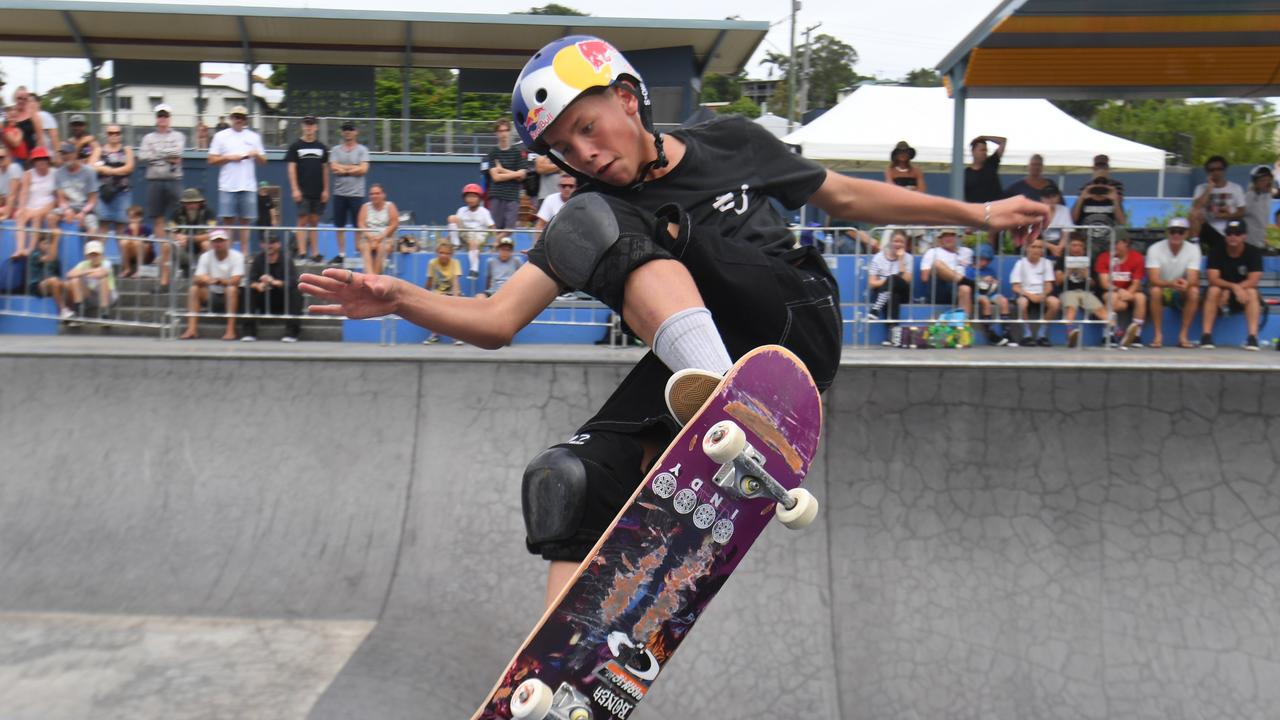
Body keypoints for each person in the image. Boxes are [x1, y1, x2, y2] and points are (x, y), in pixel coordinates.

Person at [299, 35, 1049, 608]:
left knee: (599, 222)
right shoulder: (594, 208)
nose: (587, 154)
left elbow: (848, 199)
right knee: (569, 480)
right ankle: (561, 678)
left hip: (792, 320)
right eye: (564, 150)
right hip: (703, 361)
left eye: (589, 128)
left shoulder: (732, 142)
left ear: (629, 97)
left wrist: (980, 212)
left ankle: (725, 397)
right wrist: (399, 299)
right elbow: (498, 320)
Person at [138, 104, 186, 290]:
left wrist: (157, 156)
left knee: (176, 218)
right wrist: (165, 156)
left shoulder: (178, 135)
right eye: (160, 116)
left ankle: (175, 249)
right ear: (156, 118)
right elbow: (142, 156)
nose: (163, 119)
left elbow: (177, 155)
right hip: (154, 180)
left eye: (165, 116)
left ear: (170, 118)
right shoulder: (148, 137)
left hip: (173, 179)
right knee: (157, 218)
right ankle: (161, 249)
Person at [208, 105, 266, 255]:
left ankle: (245, 255)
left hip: (248, 185)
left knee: (245, 222)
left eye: (241, 117)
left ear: (245, 119)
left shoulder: (254, 137)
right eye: (235, 117)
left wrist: (256, 155)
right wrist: (228, 158)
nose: (238, 120)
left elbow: (264, 161)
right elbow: (211, 159)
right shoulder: (221, 136)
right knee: (228, 221)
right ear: (231, 118)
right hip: (227, 185)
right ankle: (229, 253)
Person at [1201, 220, 1262, 351]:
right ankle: (1206, 335)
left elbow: (1253, 280)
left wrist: (1236, 289)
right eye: (1229, 233)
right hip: (1221, 294)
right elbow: (1213, 278)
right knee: (1213, 290)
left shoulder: (1253, 252)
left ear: (1244, 236)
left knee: (1252, 292)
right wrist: (1233, 287)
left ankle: (1252, 337)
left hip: (1242, 295)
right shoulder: (1216, 251)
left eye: (1237, 233)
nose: (1233, 237)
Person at [1144, 217, 1201, 349]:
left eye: (1180, 232)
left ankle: (1183, 335)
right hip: (1162, 286)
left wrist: (1185, 283)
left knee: (1194, 291)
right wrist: (1171, 284)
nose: (1176, 235)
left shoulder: (1193, 249)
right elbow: (1153, 279)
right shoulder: (1155, 249)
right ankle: (1158, 335)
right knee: (1156, 290)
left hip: (1179, 288)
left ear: (1186, 234)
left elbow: (1193, 277)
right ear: (1167, 232)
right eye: (1173, 231)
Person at [181, 228, 244, 341]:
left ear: (227, 242)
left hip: (232, 295)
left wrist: (220, 281)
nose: (218, 243)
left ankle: (231, 331)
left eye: (221, 240)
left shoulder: (237, 256)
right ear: (211, 243)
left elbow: (236, 281)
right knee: (194, 289)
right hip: (211, 293)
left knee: (231, 289)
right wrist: (206, 280)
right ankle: (191, 329)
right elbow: (196, 278)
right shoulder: (205, 256)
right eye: (215, 241)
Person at [242, 232, 303, 342]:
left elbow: (292, 281)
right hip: (263, 298)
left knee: (295, 291)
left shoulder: (286, 259)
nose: (269, 245)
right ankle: (249, 332)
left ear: (278, 244)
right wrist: (258, 285)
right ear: (261, 245)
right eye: (266, 243)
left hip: (282, 299)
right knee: (248, 291)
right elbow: (250, 280)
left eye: (272, 243)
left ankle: (292, 332)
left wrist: (273, 282)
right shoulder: (258, 259)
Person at [285, 116, 329, 261]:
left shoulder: (322, 147)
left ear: (316, 127)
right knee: (303, 220)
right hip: (302, 190)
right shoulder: (295, 146)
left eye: (312, 125)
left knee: (315, 221)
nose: (309, 127)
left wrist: (326, 189)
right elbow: (291, 169)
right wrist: (295, 189)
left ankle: (315, 253)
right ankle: (302, 251)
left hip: (318, 190)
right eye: (306, 124)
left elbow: (325, 170)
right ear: (303, 126)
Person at [1057, 234, 1107, 349]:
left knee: (1100, 309)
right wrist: (1069, 271)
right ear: (1069, 247)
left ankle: (1115, 333)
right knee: (1071, 306)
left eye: (1080, 246)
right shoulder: (1062, 260)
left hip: (1085, 292)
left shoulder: (1090, 260)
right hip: (1067, 291)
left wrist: (1086, 276)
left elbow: (1095, 284)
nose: (1077, 248)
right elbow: (1058, 281)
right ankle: (1070, 334)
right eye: (1074, 245)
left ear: (1084, 248)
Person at [483, 117, 530, 241]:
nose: (503, 134)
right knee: (496, 228)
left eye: (505, 130)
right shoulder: (492, 152)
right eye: (500, 131)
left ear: (509, 132)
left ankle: (496, 244)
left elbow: (523, 176)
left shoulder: (517, 152)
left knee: (509, 229)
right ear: (496, 133)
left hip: (512, 196)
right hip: (496, 195)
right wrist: (515, 174)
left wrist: (502, 170)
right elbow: (496, 177)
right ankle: (497, 246)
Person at [329, 122, 370, 264]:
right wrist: (353, 168)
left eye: (350, 130)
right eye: (345, 130)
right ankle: (341, 253)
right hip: (339, 193)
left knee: (358, 225)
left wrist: (344, 170)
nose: (348, 132)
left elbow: (364, 169)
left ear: (356, 132)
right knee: (339, 225)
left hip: (356, 194)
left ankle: (358, 251)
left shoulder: (362, 150)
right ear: (342, 132)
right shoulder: (335, 150)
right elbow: (334, 168)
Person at [1095, 235, 1145, 348]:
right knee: (1113, 298)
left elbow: (1136, 283)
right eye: (1111, 243)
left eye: (1116, 242)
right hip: (1111, 292)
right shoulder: (1104, 257)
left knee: (1141, 297)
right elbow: (1104, 283)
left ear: (1126, 242)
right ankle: (1108, 334)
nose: (1113, 246)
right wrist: (1119, 291)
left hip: (1129, 292)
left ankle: (1136, 335)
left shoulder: (1137, 257)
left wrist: (1128, 293)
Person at [1009, 237, 1059, 346]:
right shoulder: (1020, 264)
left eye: (1040, 247)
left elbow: (1049, 285)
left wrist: (1043, 295)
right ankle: (1027, 335)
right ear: (1027, 248)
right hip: (1026, 294)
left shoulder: (1047, 263)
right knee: (1022, 303)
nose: (1036, 250)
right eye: (1033, 247)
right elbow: (1016, 287)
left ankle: (1042, 335)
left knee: (1055, 302)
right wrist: (1030, 295)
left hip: (1042, 294)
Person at [865, 228, 913, 342]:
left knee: (893, 279)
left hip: (903, 291)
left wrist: (901, 260)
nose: (898, 244)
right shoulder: (878, 257)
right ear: (890, 242)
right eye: (896, 241)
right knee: (892, 295)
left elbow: (906, 280)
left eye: (901, 242)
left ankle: (876, 309)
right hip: (884, 294)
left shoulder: (908, 257)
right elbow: (872, 283)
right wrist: (888, 282)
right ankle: (892, 337)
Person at [1190, 155, 1245, 253]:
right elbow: (1196, 207)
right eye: (1212, 170)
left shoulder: (1236, 188)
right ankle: (1195, 244)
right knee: (1194, 213)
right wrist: (1209, 189)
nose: (1216, 172)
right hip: (1208, 228)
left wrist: (1228, 215)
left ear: (1224, 170)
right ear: (1208, 172)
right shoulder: (1201, 188)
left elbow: (1242, 211)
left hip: (1230, 229)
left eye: (1219, 169)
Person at [1072, 154, 1126, 252]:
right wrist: (1082, 198)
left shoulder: (1116, 187)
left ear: (1108, 168)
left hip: (1108, 239)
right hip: (1087, 239)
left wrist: (1114, 199)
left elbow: (1122, 221)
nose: (1100, 185)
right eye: (1098, 166)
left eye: (1103, 166)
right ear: (1094, 168)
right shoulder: (1085, 187)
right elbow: (1074, 218)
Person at [165, 188, 217, 289]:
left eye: (194, 202)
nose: (191, 206)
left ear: (200, 203)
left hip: (201, 253)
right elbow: (169, 231)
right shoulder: (177, 213)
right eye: (188, 203)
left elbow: (212, 234)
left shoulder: (209, 213)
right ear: (183, 204)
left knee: (206, 244)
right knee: (167, 245)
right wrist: (177, 238)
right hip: (182, 250)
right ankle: (165, 283)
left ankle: (205, 279)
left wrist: (189, 238)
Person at [91, 124, 135, 240]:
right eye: (111, 133)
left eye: (117, 133)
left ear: (120, 135)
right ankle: (100, 258)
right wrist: (118, 171)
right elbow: (91, 166)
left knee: (121, 227)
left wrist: (108, 170)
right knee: (103, 226)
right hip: (103, 193)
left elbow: (129, 168)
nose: (114, 135)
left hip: (122, 192)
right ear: (107, 135)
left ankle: (123, 258)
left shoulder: (127, 150)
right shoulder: (99, 150)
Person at [11, 146, 57, 257]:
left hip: (47, 206)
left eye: (42, 159)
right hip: (30, 206)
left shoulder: (55, 173)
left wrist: (41, 210)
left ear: (47, 160)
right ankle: (20, 249)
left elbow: (56, 196)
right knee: (20, 216)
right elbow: (24, 193)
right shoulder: (28, 174)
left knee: (37, 217)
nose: (40, 162)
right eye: (37, 160)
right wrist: (21, 209)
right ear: (33, 162)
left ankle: (30, 249)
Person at [54, 141, 99, 249]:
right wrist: (66, 210)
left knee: (93, 230)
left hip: (85, 209)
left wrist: (83, 213)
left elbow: (92, 199)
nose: (65, 156)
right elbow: (61, 199)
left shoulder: (89, 171)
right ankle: (55, 252)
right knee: (51, 217)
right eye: (63, 154)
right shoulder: (58, 173)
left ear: (74, 154)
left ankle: (91, 258)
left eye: (67, 153)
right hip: (68, 207)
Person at [918, 227, 974, 316]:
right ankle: (968, 282)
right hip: (939, 289)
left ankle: (963, 327)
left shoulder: (967, 252)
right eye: (945, 236)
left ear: (958, 237)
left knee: (965, 289)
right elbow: (924, 278)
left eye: (952, 235)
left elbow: (977, 268)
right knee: (937, 264)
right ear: (940, 239)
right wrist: (946, 273)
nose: (948, 238)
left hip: (958, 289)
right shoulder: (932, 252)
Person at [448, 183, 496, 277]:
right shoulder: (461, 210)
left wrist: (496, 241)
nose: (471, 199)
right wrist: (448, 239)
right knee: (452, 218)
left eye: (474, 197)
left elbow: (492, 227)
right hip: (464, 234)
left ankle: (474, 270)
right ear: (465, 198)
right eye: (468, 197)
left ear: (479, 198)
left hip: (479, 237)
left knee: (473, 242)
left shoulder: (484, 212)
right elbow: (455, 225)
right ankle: (455, 244)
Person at [422, 240, 463, 345]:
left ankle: (457, 336)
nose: (443, 255)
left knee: (456, 305)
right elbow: (429, 281)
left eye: (447, 253)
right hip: (437, 293)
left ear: (451, 254)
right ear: (437, 253)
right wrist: (422, 295)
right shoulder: (432, 263)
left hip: (451, 293)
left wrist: (455, 298)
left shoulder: (455, 263)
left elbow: (456, 282)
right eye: (441, 253)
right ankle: (435, 335)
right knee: (435, 303)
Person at [972, 243, 1014, 345]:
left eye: (987, 260)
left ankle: (1006, 332)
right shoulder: (970, 270)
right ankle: (990, 333)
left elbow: (994, 287)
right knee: (985, 301)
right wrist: (981, 280)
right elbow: (969, 284)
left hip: (990, 294)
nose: (984, 262)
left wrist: (994, 283)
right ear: (975, 258)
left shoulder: (990, 270)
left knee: (1003, 300)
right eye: (982, 259)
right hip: (975, 294)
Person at [65, 239, 117, 319]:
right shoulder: (84, 264)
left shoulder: (106, 263)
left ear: (101, 255)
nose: (94, 257)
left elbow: (101, 274)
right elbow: (69, 274)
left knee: (103, 279)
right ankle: (78, 310)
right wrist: (90, 270)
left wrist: (83, 273)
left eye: (96, 254)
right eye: (91, 255)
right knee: (74, 280)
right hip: (91, 296)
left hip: (108, 297)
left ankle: (104, 313)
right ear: (87, 256)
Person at [357, 183, 399, 276]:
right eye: (372, 194)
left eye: (377, 193)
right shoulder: (365, 207)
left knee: (382, 247)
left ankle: (376, 276)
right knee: (365, 247)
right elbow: (361, 223)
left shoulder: (390, 206)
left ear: (383, 195)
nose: (374, 196)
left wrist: (381, 237)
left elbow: (394, 223)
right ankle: (370, 275)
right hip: (368, 238)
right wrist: (371, 237)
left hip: (386, 237)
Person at [28, 234, 72, 321]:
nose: (47, 246)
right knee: (54, 280)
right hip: (36, 286)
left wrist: (63, 284)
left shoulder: (55, 258)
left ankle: (72, 314)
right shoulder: (34, 254)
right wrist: (56, 238)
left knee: (68, 285)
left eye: (49, 243)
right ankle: (63, 311)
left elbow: (57, 275)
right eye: (45, 243)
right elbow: (49, 258)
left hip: (51, 285)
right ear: (39, 244)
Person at [964, 135, 1006, 204]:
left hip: (996, 209)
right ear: (973, 151)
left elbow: (1003, 141)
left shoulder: (991, 163)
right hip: (977, 211)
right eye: (982, 150)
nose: (984, 153)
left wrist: (984, 137)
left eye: (986, 150)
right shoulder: (966, 174)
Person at [117, 205, 153, 279]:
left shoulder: (147, 228)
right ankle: (127, 269)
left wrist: (135, 234)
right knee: (123, 242)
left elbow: (149, 246)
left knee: (138, 242)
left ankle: (140, 270)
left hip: (146, 256)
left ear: (141, 218)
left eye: (135, 218)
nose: (133, 220)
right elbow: (126, 243)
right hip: (132, 255)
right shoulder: (127, 230)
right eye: (130, 218)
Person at [1243, 165, 1273, 251]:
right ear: (1255, 183)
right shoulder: (1250, 197)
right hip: (1249, 244)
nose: (1267, 183)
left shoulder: (1267, 195)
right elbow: (1239, 214)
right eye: (1263, 180)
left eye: (1269, 180)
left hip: (1262, 243)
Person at [1038, 183, 1074, 256]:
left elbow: (1066, 233)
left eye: (1053, 196)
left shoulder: (1065, 210)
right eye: (1047, 197)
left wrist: (1060, 247)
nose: (1051, 199)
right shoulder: (1035, 211)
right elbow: (1032, 235)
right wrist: (1051, 247)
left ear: (1058, 197)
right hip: (1041, 242)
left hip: (1060, 243)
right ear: (1042, 198)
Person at [0, 145, 22, 220]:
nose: (0, 159)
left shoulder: (14, 168)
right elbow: (2, 198)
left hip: (19, 207)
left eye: (2, 157)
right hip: (7, 206)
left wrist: (6, 215)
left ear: (8, 157)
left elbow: (12, 196)